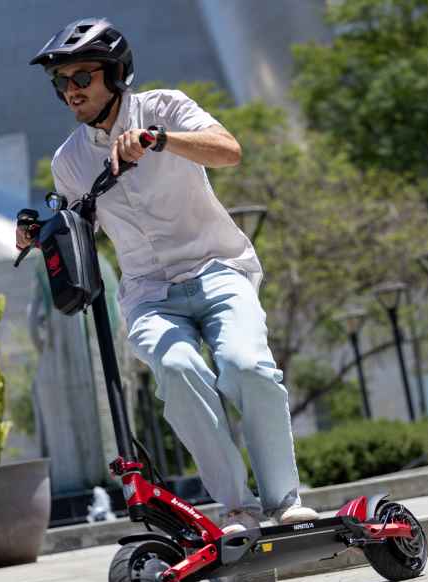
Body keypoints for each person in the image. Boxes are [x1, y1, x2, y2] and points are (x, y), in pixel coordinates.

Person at [20, 18, 318, 534]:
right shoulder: (69, 160)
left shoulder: (163, 107)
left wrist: (160, 140)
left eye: (81, 77)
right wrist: (37, 233)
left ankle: (283, 499)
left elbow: (229, 150)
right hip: (148, 294)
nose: (70, 91)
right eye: (61, 82)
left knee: (246, 366)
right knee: (178, 372)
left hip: (216, 268)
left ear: (115, 73)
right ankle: (237, 509)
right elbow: (76, 226)